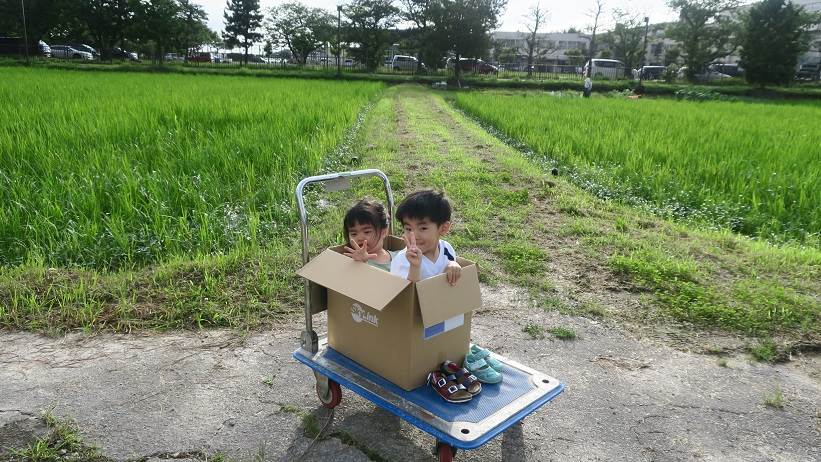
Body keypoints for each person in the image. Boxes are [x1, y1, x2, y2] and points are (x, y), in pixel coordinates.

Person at [390, 190, 461, 284]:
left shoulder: (447, 249)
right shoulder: (403, 260)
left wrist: (453, 264)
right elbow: (407, 295)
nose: (414, 236)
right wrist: (414, 267)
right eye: (408, 229)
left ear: (443, 228)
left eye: (423, 228)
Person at [342, 199, 394, 271]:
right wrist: (359, 264)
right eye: (354, 234)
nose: (360, 238)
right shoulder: (350, 261)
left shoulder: (398, 256)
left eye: (366, 232)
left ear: (384, 232)